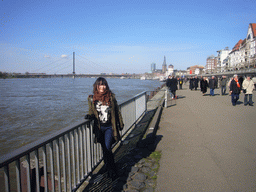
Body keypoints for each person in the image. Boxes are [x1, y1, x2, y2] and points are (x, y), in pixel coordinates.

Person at [85, 77, 124, 179]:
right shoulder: (92, 98)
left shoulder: (111, 97)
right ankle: (108, 166)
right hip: (99, 128)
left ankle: (112, 170)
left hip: (109, 128)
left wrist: (120, 124)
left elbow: (117, 111)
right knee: (104, 149)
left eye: (104, 84)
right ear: (96, 86)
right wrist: (90, 116)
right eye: (100, 84)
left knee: (107, 147)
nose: (102, 87)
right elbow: (92, 111)